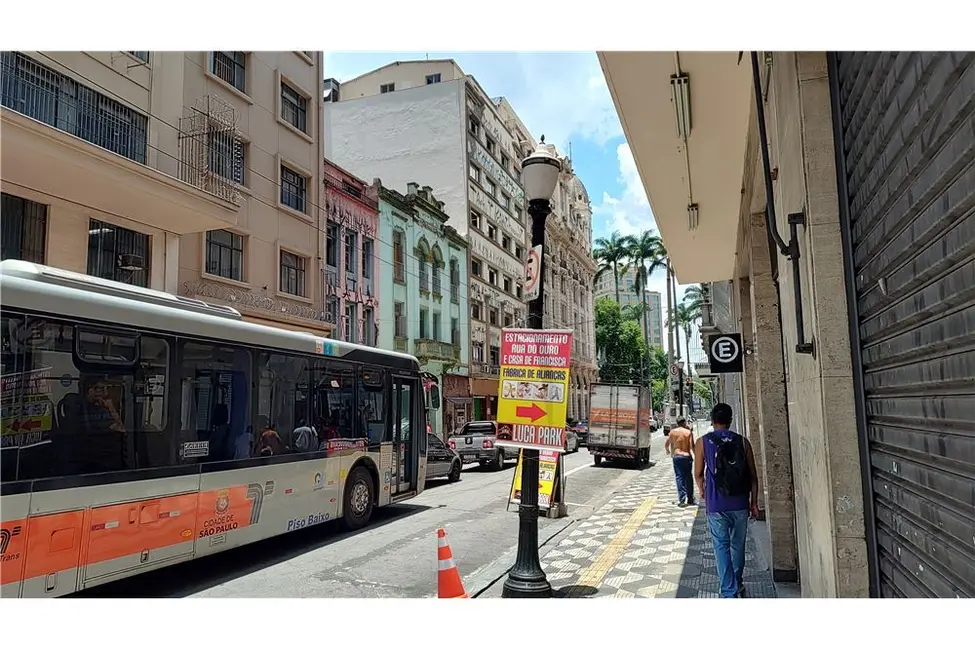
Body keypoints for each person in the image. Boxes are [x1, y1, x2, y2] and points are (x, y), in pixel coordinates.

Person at [693, 402, 759, 598]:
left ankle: (728, 591)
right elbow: (753, 476)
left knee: (721, 547)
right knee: (738, 545)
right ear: (730, 420)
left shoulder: (703, 442)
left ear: (713, 421)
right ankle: (737, 582)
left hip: (716, 504)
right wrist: (754, 503)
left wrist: (702, 490)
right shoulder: (743, 442)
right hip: (740, 503)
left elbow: (698, 474)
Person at [665, 416, 695, 507]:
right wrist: (697, 456)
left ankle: (682, 499)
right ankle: (690, 498)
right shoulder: (688, 432)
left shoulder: (672, 432)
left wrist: (668, 451)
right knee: (688, 477)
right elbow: (692, 446)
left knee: (679, 477)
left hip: (677, 456)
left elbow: (667, 444)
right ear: (684, 423)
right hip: (686, 456)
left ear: (677, 423)